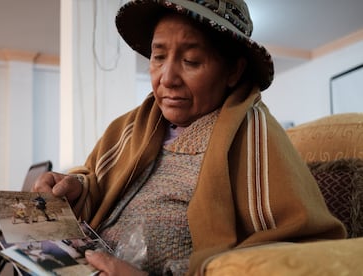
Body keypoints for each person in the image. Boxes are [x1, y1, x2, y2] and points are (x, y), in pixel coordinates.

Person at [33, 1, 346, 275]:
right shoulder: (128, 127)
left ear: (234, 71)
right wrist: (76, 188)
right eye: (158, 57)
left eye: (192, 61)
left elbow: (303, 251)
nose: (167, 78)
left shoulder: (255, 138)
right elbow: (97, 182)